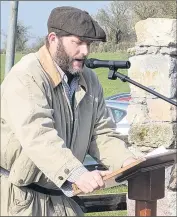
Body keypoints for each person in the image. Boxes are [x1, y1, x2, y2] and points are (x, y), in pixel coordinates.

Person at [1, 6, 137, 216]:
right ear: (53, 38)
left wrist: (127, 162)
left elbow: (101, 134)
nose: (85, 51)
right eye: (78, 42)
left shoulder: (89, 80)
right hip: (20, 200)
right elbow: (38, 134)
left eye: (88, 44)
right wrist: (76, 172)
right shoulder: (26, 76)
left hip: (63, 199)